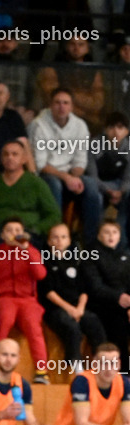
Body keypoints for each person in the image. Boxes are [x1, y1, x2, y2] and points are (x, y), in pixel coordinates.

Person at [28, 88, 103, 245]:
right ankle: (55, 240)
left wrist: (74, 178)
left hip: (69, 174)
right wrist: (67, 177)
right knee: (55, 185)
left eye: (65, 103)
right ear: (50, 105)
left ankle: (90, 244)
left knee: (91, 186)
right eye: (57, 103)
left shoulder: (80, 126)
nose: (61, 107)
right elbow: (40, 164)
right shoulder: (39, 125)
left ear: (71, 107)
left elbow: (80, 160)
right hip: (46, 174)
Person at [0, 218, 49, 384]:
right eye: (9, 230)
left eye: (18, 230)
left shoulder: (31, 251)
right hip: (5, 298)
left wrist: (27, 250)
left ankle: (41, 372)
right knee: (2, 324)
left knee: (34, 328)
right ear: (3, 235)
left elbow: (41, 274)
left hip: (28, 300)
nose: (13, 233)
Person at [40, 223, 106, 366]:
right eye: (55, 237)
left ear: (69, 241)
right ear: (49, 241)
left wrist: (80, 309)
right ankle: (76, 368)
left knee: (94, 321)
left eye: (63, 237)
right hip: (56, 309)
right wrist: (70, 309)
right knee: (72, 328)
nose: (59, 241)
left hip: (77, 307)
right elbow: (49, 292)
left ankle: (102, 363)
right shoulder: (45, 262)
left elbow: (83, 290)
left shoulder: (76, 261)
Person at [0, 140, 61, 247]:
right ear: (1, 158)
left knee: (28, 249)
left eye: (15, 154)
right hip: (0, 233)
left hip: (28, 233)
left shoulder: (37, 183)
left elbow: (54, 215)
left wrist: (36, 229)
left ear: (24, 159)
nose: (10, 157)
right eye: (6, 154)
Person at [82, 220, 130, 370]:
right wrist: (118, 297)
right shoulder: (91, 255)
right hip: (101, 306)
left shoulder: (125, 255)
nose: (111, 236)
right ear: (99, 235)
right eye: (106, 232)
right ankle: (122, 375)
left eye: (114, 232)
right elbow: (95, 287)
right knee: (118, 327)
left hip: (124, 306)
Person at [87, 112, 130, 238]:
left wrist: (121, 191)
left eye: (120, 127)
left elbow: (128, 177)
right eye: (111, 127)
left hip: (121, 186)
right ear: (105, 129)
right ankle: (95, 241)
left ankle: (123, 244)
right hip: (100, 185)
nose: (116, 132)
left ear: (127, 131)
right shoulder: (95, 144)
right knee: (96, 199)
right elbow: (92, 175)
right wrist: (108, 190)